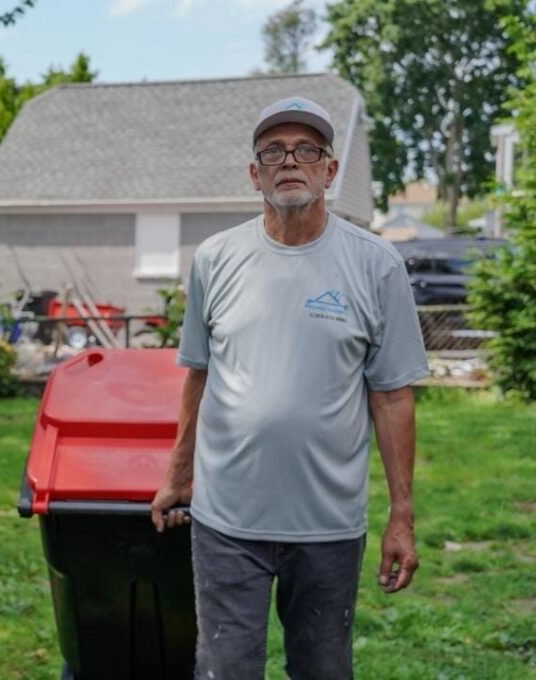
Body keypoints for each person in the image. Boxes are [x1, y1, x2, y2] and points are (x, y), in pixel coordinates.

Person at [150, 96, 429, 679]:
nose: (290, 162)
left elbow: (392, 396)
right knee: (225, 670)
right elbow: (199, 372)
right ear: (256, 174)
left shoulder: (376, 265)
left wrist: (401, 516)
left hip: (328, 524)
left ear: (330, 169)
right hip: (227, 521)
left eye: (307, 150)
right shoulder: (216, 259)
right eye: (274, 152)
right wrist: (177, 475)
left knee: (323, 670)